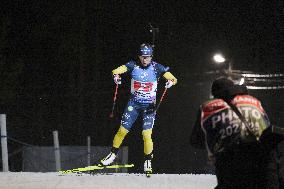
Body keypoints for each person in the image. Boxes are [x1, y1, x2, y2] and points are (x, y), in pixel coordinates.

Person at [99, 43, 177, 176]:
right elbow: (115, 71)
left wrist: (170, 82)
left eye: (147, 57)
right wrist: (116, 76)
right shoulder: (132, 65)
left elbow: (174, 78)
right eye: (142, 57)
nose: (144, 60)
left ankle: (148, 162)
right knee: (122, 131)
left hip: (149, 106)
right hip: (133, 104)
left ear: (151, 57)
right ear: (139, 56)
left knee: (146, 135)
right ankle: (112, 155)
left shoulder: (157, 67)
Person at [190, 77, 270, 189]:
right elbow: (267, 128)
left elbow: (195, 141)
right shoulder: (254, 102)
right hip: (261, 159)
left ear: (214, 94)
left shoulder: (208, 107)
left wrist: (216, 139)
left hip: (229, 164)